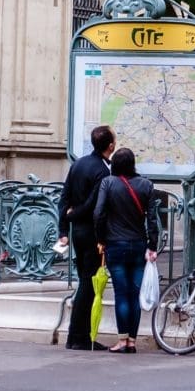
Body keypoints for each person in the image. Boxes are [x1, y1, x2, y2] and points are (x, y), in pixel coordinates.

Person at [94, 147, 159, 354]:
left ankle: (122, 341)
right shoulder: (146, 185)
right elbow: (152, 219)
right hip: (139, 244)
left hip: (115, 244)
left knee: (121, 295)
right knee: (135, 295)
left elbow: (98, 213)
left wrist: (101, 238)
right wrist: (152, 245)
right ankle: (132, 340)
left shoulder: (108, 183)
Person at [56, 124, 115, 351]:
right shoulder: (103, 171)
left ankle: (78, 335)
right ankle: (78, 337)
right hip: (92, 233)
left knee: (85, 281)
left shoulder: (78, 164)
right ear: (110, 146)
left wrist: (64, 229)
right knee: (88, 285)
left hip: (77, 233)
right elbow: (94, 205)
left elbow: (64, 198)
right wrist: (74, 216)